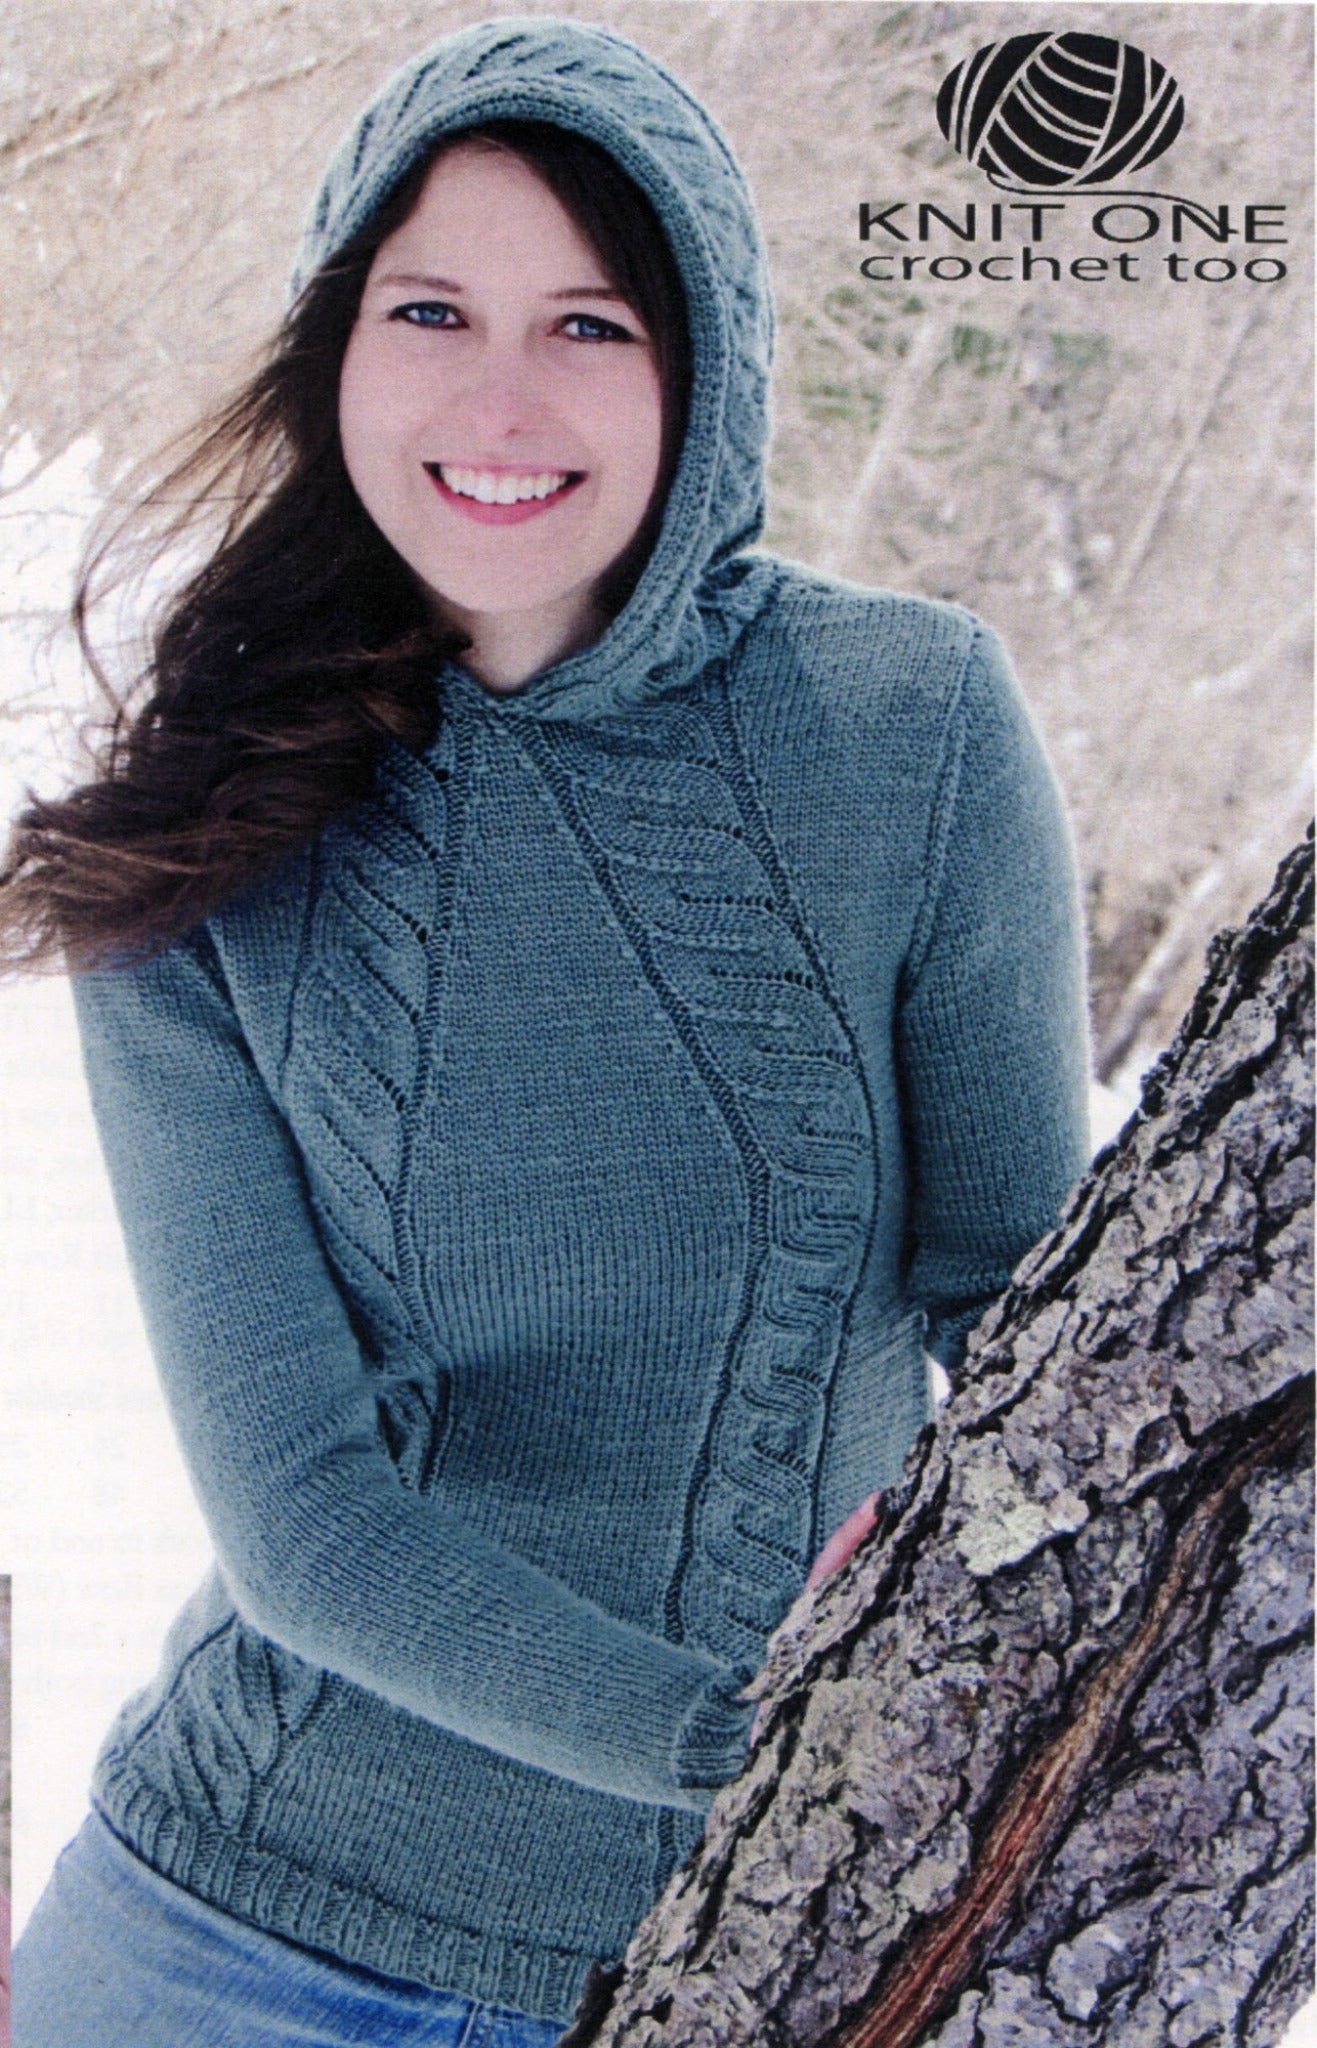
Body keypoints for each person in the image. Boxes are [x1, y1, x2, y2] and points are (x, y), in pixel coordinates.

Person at [3, 16, 1090, 2046]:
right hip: (232, 1936)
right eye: (431, 307)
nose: (501, 398)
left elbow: (1028, 1312)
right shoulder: (195, 839)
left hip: (742, 1966)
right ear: (337, 347)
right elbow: (308, 1519)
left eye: (589, 324)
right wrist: (753, 1746)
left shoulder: (905, 733)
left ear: (707, 370)